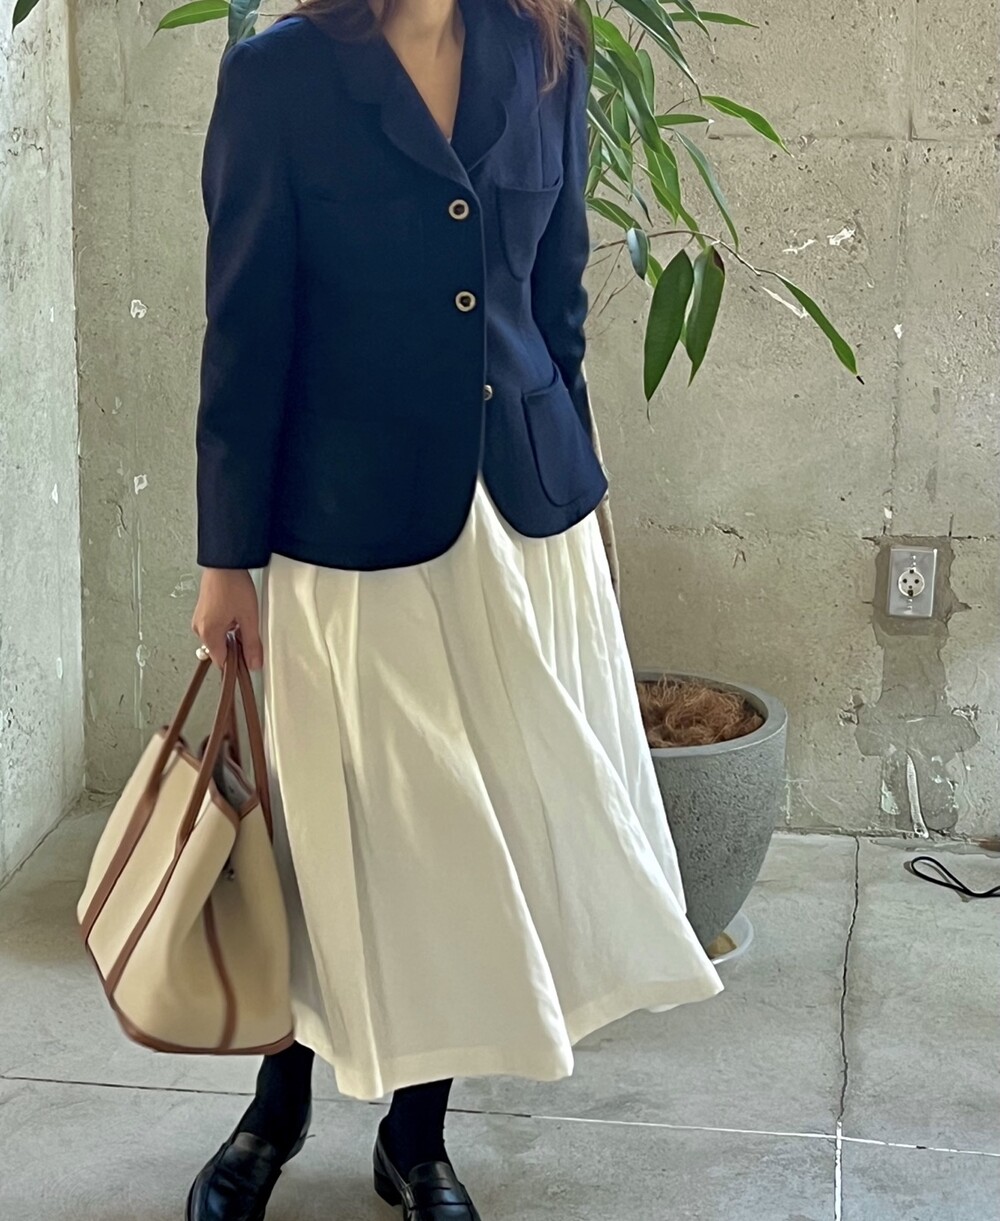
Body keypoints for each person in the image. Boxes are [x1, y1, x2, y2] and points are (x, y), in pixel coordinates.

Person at [187, 0, 723, 1217]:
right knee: (339, 824)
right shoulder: (277, 78)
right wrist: (226, 559)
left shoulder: (548, 55)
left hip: (522, 518)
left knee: (474, 841)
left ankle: (416, 1139)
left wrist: (585, 494)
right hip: (349, 523)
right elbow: (244, 329)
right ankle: (275, 1108)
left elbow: (557, 304)